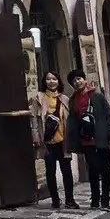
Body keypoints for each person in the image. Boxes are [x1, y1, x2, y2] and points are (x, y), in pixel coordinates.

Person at [66, 71, 110, 210]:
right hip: (86, 141)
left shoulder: (97, 96)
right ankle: (95, 198)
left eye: (79, 79)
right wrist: (74, 143)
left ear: (84, 80)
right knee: (93, 170)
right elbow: (73, 122)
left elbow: (109, 116)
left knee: (105, 171)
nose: (77, 82)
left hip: (101, 138)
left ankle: (105, 199)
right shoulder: (73, 100)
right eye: (74, 81)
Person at [34, 71, 77, 211]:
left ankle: (70, 200)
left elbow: (70, 120)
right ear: (44, 81)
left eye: (54, 79)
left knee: (66, 171)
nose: (51, 81)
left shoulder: (64, 99)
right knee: (50, 171)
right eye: (48, 79)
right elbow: (34, 119)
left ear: (58, 81)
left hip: (63, 141)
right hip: (47, 142)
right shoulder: (39, 98)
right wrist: (36, 137)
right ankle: (55, 200)